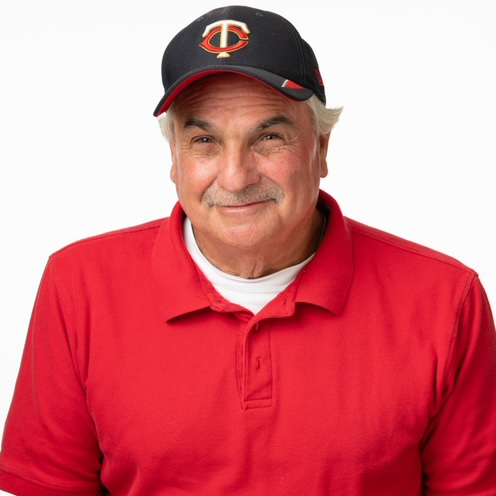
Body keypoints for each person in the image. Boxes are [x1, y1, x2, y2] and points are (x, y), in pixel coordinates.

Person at [0, 4, 495, 495]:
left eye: (269, 137)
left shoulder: (446, 301)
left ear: (321, 149)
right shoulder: (78, 287)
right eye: (204, 141)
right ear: (174, 156)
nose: (236, 177)